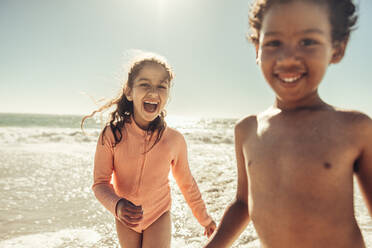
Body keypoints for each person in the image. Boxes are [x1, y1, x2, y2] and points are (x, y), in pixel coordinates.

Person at [204, 0, 372, 247]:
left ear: (337, 48)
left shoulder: (354, 128)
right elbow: (243, 204)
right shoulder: (247, 130)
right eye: (273, 43)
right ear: (257, 49)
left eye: (308, 42)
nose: (288, 58)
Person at [82, 52, 216, 248]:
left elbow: (187, 184)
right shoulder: (112, 135)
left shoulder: (174, 140)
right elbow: (100, 183)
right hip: (127, 217)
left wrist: (205, 220)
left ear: (168, 93)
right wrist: (118, 206)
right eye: (145, 84)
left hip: (158, 214)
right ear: (129, 91)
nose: (154, 92)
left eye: (161, 86)